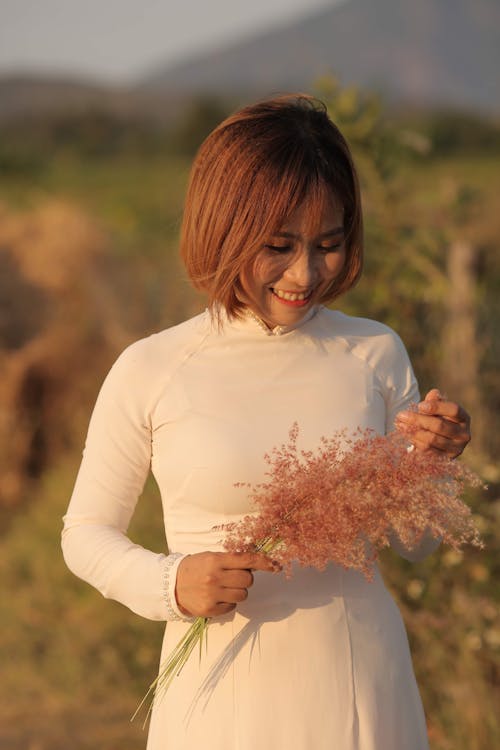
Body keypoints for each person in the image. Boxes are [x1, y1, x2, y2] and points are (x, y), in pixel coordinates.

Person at [62, 95, 471, 750]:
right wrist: (171, 582)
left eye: (328, 245)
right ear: (222, 227)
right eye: (278, 246)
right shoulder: (153, 367)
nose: (305, 273)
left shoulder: (373, 352)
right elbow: (85, 533)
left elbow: (416, 542)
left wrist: (433, 460)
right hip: (218, 694)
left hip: (359, 679)